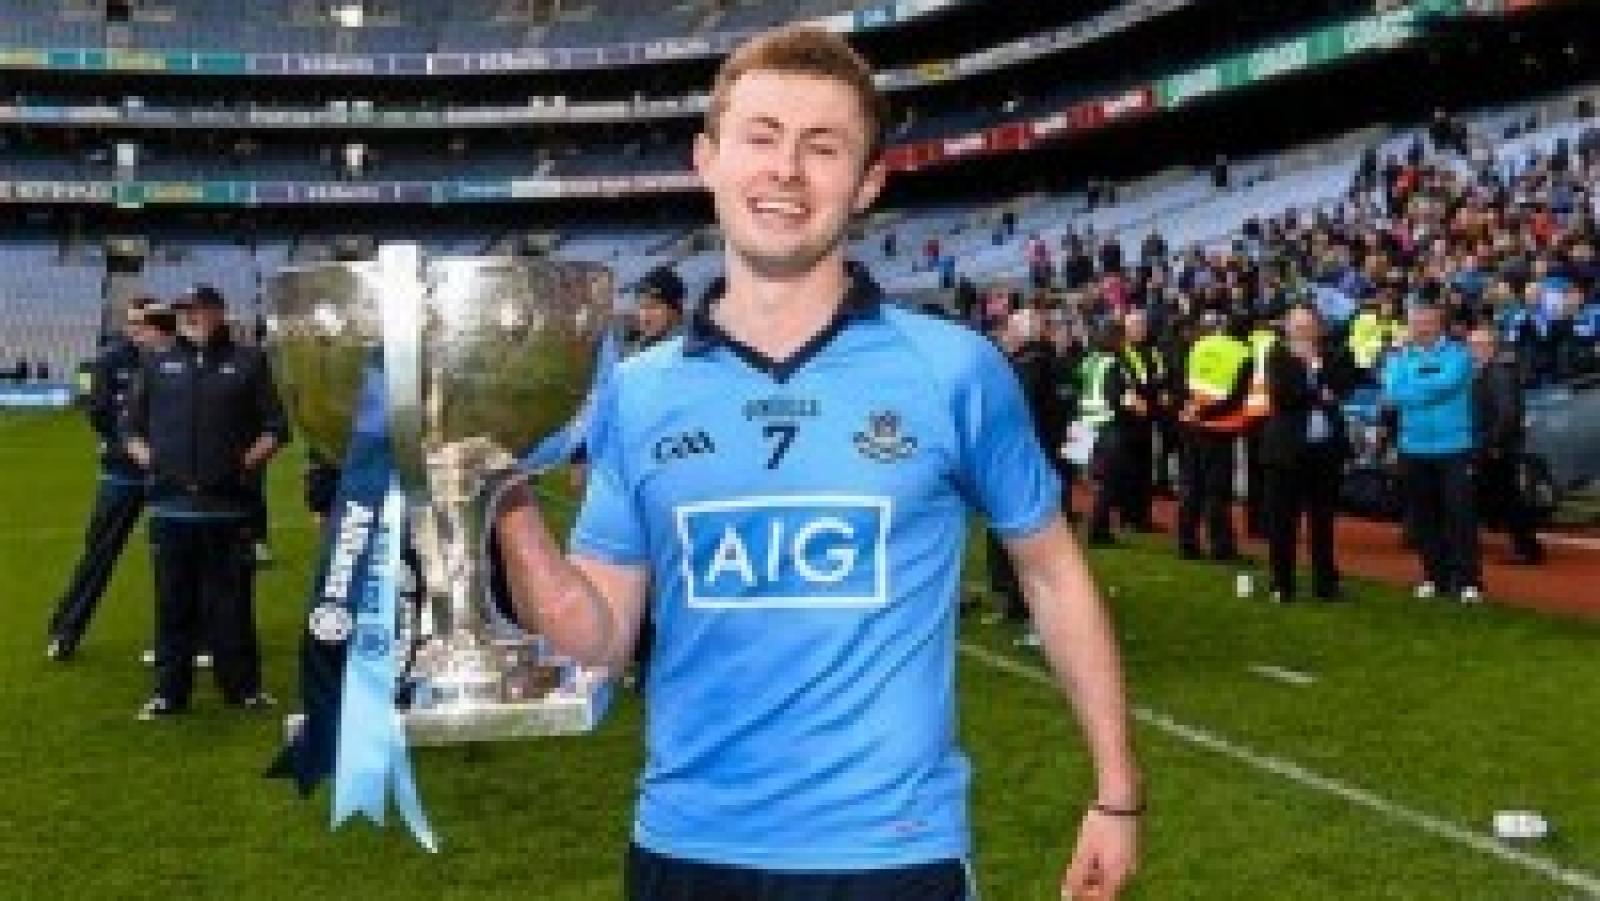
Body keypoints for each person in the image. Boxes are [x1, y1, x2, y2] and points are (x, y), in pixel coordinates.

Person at [493, 26, 1139, 901]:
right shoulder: (637, 393)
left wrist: (1117, 794)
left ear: (867, 182)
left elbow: (1054, 574)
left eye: (822, 146)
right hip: (685, 848)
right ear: (708, 158)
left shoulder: (953, 369)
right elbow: (598, 639)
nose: (787, 171)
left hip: (892, 857)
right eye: (761, 137)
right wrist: (506, 500)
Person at [124, 284, 289, 719]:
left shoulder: (250, 363)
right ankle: (168, 693)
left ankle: (243, 689)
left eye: (196, 310)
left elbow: (276, 428)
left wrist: (245, 463)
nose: (188, 317)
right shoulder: (156, 363)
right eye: (182, 311)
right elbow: (130, 428)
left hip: (229, 507)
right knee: (172, 603)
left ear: (218, 312)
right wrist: (151, 462)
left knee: (232, 603)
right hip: (170, 507)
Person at [45, 299, 177, 660]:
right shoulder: (109, 360)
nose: (136, 328)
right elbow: (99, 413)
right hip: (123, 473)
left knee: (175, 560)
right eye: (132, 321)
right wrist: (130, 448)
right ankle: (65, 630)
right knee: (100, 553)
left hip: (169, 476)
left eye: (144, 321)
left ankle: (181, 640)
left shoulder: (175, 357)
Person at [1381, 304, 1481, 603]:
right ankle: (1434, 577)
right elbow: (1391, 391)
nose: (1421, 328)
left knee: (1460, 515)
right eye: (1416, 323)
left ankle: (1467, 581)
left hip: (1454, 447)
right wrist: (1413, 390)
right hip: (1413, 447)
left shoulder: (1459, 355)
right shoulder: (1399, 357)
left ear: (1440, 325)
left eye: (1427, 322)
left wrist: (1408, 389)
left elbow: (1446, 385)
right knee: (1424, 518)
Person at [1260, 306, 1355, 603]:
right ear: (1287, 328)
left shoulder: (1333, 353)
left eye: (1307, 325)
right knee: (1282, 521)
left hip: (1325, 450)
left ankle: (1326, 583)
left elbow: (1343, 385)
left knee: (1323, 521)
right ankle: (1281, 584)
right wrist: (1318, 389)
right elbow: (1285, 395)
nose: (1302, 330)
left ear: (1318, 328)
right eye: (1297, 325)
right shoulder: (1277, 355)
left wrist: (1314, 372)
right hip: (1286, 451)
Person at [1177, 312, 1253, 562]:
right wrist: (1207, 412)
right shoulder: (1244, 355)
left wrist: (1196, 410)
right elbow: (1235, 399)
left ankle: (1187, 542)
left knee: (1191, 486)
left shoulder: (1201, 344)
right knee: (1216, 492)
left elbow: (1186, 383)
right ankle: (1220, 546)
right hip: (1219, 429)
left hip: (1192, 424)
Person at [1468, 327, 1544, 565]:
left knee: (1507, 498)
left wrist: (1493, 443)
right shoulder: (1486, 373)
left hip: (1498, 448)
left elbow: (1507, 414)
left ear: (1492, 346)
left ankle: (1527, 548)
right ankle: (1523, 546)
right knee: (1490, 496)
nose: (1474, 350)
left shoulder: (1498, 374)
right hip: (1493, 445)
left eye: (1479, 345)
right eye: (1471, 345)